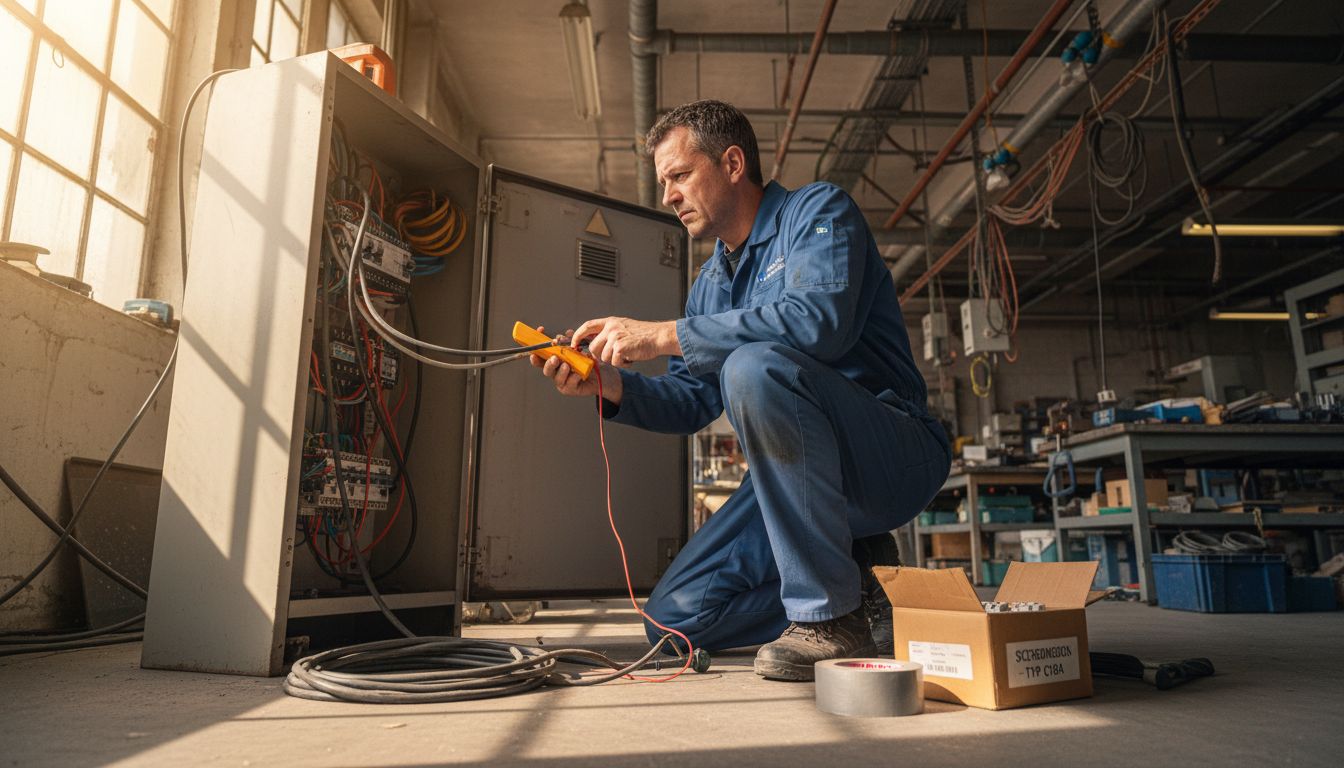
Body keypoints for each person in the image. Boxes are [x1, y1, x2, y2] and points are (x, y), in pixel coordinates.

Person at [531, 100, 951, 681]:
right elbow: (689, 401)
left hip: (890, 458)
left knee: (753, 367)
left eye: (679, 176)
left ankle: (826, 620)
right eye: (663, 183)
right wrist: (610, 384)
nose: (668, 196)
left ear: (732, 163)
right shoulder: (711, 284)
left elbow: (818, 323)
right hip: (796, 482)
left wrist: (664, 334)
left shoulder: (817, 212)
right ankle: (860, 593)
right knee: (674, 620)